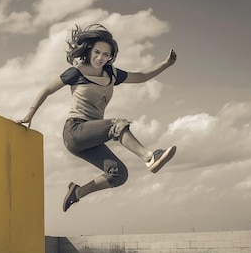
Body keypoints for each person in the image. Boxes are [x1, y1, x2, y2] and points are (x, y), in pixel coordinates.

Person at [16, 24, 178, 212]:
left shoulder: (111, 73)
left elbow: (141, 76)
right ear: (89, 50)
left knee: (119, 174)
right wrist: (29, 114)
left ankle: (77, 193)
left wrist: (166, 64)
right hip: (75, 131)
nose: (100, 58)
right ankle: (149, 157)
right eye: (97, 52)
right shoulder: (76, 72)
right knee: (116, 124)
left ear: (110, 57)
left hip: (91, 138)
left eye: (106, 55)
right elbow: (47, 90)